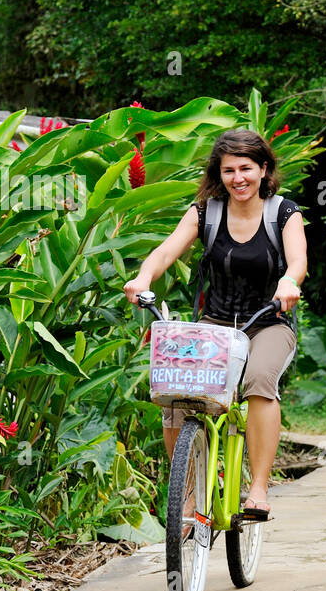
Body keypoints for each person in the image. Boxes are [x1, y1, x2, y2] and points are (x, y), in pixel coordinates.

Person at [124, 129, 307, 520]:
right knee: (177, 392)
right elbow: (166, 251)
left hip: (268, 322)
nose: (237, 178)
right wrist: (143, 279)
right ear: (218, 173)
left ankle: (257, 488)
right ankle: (186, 495)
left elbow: (298, 262)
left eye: (246, 168)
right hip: (217, 324)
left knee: (259, 380)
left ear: (263, 169)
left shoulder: (284, 213)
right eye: (228, 170)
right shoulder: (206, 212)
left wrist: (289, 282)